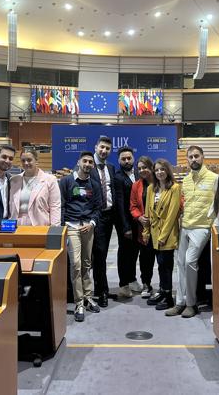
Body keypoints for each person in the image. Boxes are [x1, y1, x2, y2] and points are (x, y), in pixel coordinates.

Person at [167, 145, 217, 318]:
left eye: (196, 156)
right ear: (187, 159)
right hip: (185, 227)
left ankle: (191, 303)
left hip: (202, 227)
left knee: (190, 262)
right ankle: (180, 302)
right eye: (190, 157)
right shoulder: (186, 181)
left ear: (203, 157)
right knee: (180, 264)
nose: (193, 159)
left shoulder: (214, 179)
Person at [59, 151, 102, 322]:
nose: (88, 164)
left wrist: (91, 223)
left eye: (90, 162)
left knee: (86, 263)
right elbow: (61, 205)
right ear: (79, 162)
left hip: (88, 227)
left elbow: (98, 208)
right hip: (71, 227)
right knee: (75, 264)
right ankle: (79, 303)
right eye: (85, 161)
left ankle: (88, 296)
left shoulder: (94, 185)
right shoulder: (67, 181)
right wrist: (62, 227)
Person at [143, 159, 181, 312]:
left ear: (168, 171)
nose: (159, 172)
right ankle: (162, 291)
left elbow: (172, 214)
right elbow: (147, 212)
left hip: (168, 233)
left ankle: (169, 297)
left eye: (162, 169)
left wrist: (163, 236)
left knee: (166, 265)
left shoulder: (175, 188)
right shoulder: (152, 188)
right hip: (154, 232)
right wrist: (146, 231)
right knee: (159, 264)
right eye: (157, 170)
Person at [90, 136, 117, 308]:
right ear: (96, 147)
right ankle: (101, 291)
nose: (104, 151)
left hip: (109, 216)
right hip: (94, 216)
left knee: (102, 254)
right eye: (102, 147)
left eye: (107, 148)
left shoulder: (111, 168)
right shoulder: (86, 165)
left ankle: (99, 288)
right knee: (97, 255)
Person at [113, 146, 143, 299]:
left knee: (134, 251)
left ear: (133, 158)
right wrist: (125, 227)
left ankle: (132, 279)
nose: (126, 161)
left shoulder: (138, 173)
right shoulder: (117, 177)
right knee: (124, 252)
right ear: (119, 160)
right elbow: (119, 204)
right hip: (124, 221)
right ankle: (123, 284)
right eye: (123, 159)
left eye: (129, 158)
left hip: (138, 220)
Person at [9, 148, 61, 226]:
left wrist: (55, 229)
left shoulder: (50, 180)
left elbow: (55, 206)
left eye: (29, 160)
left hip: (40, 225)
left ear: (36, 161)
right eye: (23, 160)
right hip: (16, 226)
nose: (26, 163)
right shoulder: (14, 180)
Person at [129, 156, 157, 299]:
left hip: (162, 229)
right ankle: (146, 284)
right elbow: (133, 207)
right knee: (146, 259)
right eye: (139, 168)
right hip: (144, 229)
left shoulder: (162, 182)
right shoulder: (136, 185)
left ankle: (165, 287)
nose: (142, 170)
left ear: (151, 167)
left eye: (144, 167)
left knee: (164, 260)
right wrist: (139, 217)